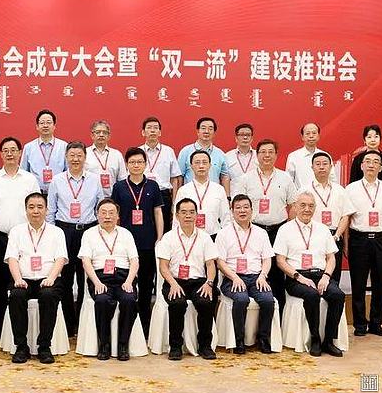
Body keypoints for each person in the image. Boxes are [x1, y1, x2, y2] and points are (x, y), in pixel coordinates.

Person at [0, 137, 41, 338]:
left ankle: (19, 327)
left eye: (13, 150)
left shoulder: (30, 179)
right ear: (1, 154)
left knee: (20, 280)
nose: (10, 153)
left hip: (24, 237)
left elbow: (37, 207)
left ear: (20, 153)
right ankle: (0, 327)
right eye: (5, 150)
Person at [274, 192, 345, 357]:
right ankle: (315, 339)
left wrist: (326, 276)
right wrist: (299, 277)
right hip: (296, 277)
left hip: (321, 275)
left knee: (338, 295)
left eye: (311, 206)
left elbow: (331, 258)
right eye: (303, 205)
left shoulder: (323, 229)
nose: (307, 209)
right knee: (311, 295)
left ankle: (329, 341)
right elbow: (280, 261)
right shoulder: (285, 230)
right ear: (295, 207)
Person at [232, 139, 297, 313]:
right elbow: (238, 205)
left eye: (270, 152)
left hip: (278, 231)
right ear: (257, 155)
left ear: (276, 155)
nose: (266, 155)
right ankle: (255, 316)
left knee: (277, 274)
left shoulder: (285, 178)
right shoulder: (246, 179)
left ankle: (278, 317)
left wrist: (287, 229)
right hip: (253, 231)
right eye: (263, 152)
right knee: (254, 272)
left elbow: (293, 205)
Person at [47, 141, 104, 335]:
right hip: (64, 231)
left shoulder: (94, 180)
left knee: (85, 276)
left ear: (85, 158)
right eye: (72, 155)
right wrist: (52, 236)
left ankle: (82, 322)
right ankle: (68, 323)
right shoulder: (57, 180)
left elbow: (100, 207)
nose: (75, 159)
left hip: (88, 231)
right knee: (64, 277)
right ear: (66, 157)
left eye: (79, 155)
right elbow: (50, 211)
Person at [5, 192, 68, 364]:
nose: (35, 211)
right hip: (23, 278)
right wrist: (18, 279)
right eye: (31, 207)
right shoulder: (17, 231)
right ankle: (21, 347)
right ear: (25, 210)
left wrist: (51, 278)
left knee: (48, 295)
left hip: (48, 279)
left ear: (46, 210)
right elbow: (12, 258)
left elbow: (60, 258)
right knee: (16, 295)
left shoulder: (56, 232)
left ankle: (44, 346)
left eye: (40, 207)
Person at [156, 198, 219, 360]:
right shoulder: (168, 238)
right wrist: (173, 283)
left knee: (206, 302)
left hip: (199, 282)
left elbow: (211, 265)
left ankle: (205, 345)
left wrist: (209, 283)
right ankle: (175, 346)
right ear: (177, 215)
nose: (188, 216)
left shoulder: (205, 237)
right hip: (174, 281)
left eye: (191, 212)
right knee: (177, 303)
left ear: (197, 215)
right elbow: (163, 266)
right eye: (183, 212)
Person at [345, 151, 382, 337]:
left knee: (379, 282)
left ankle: (376, 323)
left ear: (381, 168)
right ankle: (360, 324)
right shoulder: (351, 189)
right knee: (358, 283)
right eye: (367, 161)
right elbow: (347, 218)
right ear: (361, 166)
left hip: (381, 239)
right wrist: (346, 244)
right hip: (358, 239)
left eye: (375, 162)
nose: (371, 164)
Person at [111, 147, 164, 336]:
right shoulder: (119, 187)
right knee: (128, 283)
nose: (136, 165)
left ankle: (145, 323)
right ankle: (129, 322)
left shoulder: (153, 186)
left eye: (140, 162)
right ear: (126, 165)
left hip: (147, 243)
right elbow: (115, 215)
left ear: (145, 164)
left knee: (146, 284)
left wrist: (159, 237)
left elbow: (158, 212)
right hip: (125, 244)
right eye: (132, 162)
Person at [79, 199, 140, 361]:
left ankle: (123, 345)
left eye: (111, 213)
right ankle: (104, 344)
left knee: (129, 300)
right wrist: (96, 282)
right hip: (100, 277)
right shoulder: (89, 234)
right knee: (102, 300)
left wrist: (129, 281)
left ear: (118, 216)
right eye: (103, 213)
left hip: (123, 277)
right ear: (97, 215)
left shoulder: (126, 234)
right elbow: (86, 261)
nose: (107, 216)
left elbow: (134, 261)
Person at [214, 195, 276, 354]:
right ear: (232, 211)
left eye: (246, 207)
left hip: (256, 277)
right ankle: (238, 340)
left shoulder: (261, 233)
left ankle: (263, 339)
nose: (242, 211)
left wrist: (263, 275)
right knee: (241, 299)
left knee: (268, 300)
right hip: (232, 277)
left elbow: (267, 259)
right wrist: (234, 277)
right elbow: (220, 262)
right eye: (238, 208)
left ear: (251, 210)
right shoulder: (224, 234)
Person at [301, 152, 355, 284]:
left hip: (334, 237)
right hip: (311, 237)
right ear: (312, 167)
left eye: (325, 164)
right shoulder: (304, 190)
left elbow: (345, 216)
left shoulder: (340, 190)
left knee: (333, 279)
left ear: (331, 167)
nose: (321, 167)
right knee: (313, 276)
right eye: (318, 164)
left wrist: (336, 236)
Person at [172, 150, 231, 238]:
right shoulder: (183, 190)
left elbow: (226, 218)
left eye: (204, 162)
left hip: (214, 236)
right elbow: (176, 220)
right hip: (189, 237)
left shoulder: (219, 189)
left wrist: (227, 238)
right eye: (197, 162)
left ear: (210, 165)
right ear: (191, 166)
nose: (201, 166)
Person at [140, 116, 182, 233]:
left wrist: (174, 203)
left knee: (164, 229)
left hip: (163, 195)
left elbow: (174, 178)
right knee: (145, 228)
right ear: (143, 132)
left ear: (160, 132)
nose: (152, 130)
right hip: (142, 194)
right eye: (149, 128)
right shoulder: (138, 151)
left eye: (155, 128)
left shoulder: (168, 151)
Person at [177, 117, 231, 195]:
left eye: (210, 129)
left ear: (214, 132)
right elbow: (179, 177)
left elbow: (225, 177)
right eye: (203, 128)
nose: (206, 131)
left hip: (214, 195)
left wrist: (227, 197)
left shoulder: (220, 154)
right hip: (190, 195)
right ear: (198, 131)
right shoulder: (185, 152)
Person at [21, 109, 68, 194]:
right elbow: (24, 173)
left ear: (54, 126)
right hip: (35, 193)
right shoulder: (29, 147)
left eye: (49, 122)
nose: (45, 125)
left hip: (59, 193)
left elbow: (68, 171)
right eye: (42, 123)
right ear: (37, 126)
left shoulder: (64, 146)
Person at [285, 122, 335, 190]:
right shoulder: (293, 156)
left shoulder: (325, 156)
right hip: (301, 195)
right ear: (302, 137)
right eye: (307, 133)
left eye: (314, 133)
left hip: (323, 195)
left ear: (318, 136)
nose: (311, 136)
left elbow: (332, 178)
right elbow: (288, 181)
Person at [85, 120, 126, 197]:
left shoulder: (117, 155)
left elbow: (123, 180)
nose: (101, 135)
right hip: (91, 198)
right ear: (92, 135)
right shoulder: (85, 153)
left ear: (109, 136)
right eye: (98, 132)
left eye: (104, 132)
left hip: (112, 198)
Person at [225, 123, 258, 190]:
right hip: (234, 194)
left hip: (254, 193)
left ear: (252, 138)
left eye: (248, 135)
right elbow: (225, 178)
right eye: (242, 135)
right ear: (236, 138)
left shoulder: (258, 155)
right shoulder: (227, 156)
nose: (245, 137)